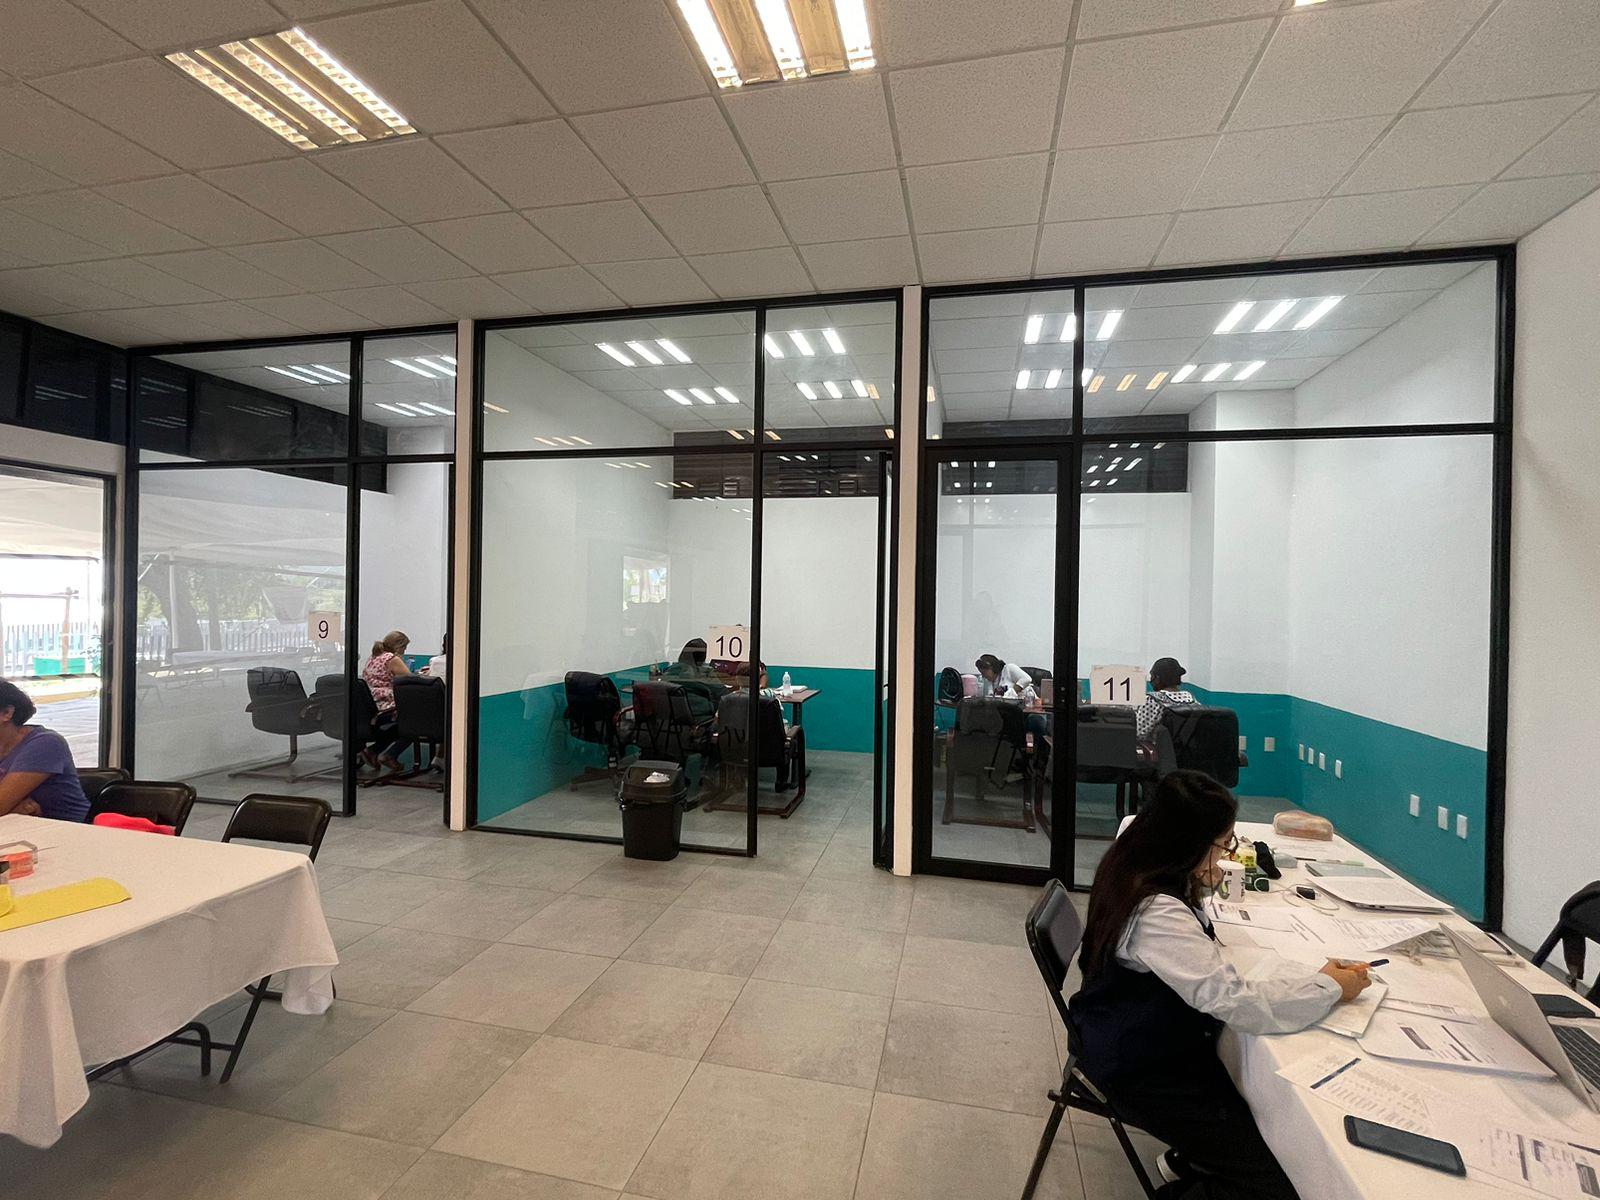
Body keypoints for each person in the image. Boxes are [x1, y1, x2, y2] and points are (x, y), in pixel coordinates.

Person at [1071, 771, 1372, 1199]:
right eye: (1223, 844)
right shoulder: (1156, 912)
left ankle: (1193, 1158)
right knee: (1279, 1182)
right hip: (1137, 1065)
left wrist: (1202, 879)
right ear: (1187, 843)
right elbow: (1234, 1002)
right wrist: (1329, 987)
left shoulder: (1133, 862)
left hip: (1129, 1032)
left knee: (1262, 1125)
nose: (1227, 854)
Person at [0, 678, 90, 822]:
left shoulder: (45, 743)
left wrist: (7, 810)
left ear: (7, 713)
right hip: (21, 829)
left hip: (72, 831)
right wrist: (13, 811)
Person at [362, 630, 413, 770]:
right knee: (414, 724)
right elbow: (410, 679)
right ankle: (390, 755)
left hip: (372, 706)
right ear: (398, 646)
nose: (404, 651)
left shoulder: (373, 657)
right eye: (404, 648)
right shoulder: (391, 659)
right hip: (387, 707)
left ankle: (372, 751)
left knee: (399, 726)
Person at [1135, 655, 1198, 741]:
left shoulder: (1153, 700)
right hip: (1187, 748)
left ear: (1157, 678)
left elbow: (1139, 733)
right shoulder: (1192, 700)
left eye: (1151, 675)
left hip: (1161, 748)